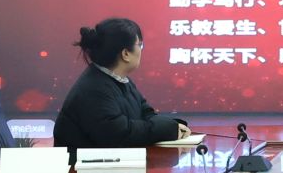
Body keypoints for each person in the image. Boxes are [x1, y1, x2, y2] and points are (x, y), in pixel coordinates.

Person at [53, 18, 188, 151]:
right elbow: (119, 134)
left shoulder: (121, 80)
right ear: (125, 54)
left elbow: (147, 114)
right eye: (140, 45)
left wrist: (173, 126)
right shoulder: (93, 89)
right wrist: (167, 129)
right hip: (82, 165)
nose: (141, 50)